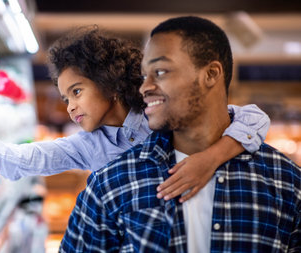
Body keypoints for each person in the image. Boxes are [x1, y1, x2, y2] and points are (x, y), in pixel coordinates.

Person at [0, 27, 270, 203]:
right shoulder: (91, 145)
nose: (70, 106)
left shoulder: (163, 111)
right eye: (64, 97)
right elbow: (28, 158)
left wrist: (208, 159)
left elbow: (254, 118)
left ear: (109, 83)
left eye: (77, 92)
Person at [60, 17, 300, 252]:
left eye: (161, 71)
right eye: (144, 76)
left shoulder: (286, 183)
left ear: (211, 74)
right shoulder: (110, 184)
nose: (144, 87)